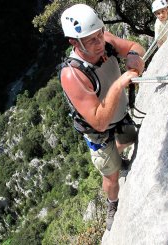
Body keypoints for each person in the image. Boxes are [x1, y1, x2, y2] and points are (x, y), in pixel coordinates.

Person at [59, 4, 145, 231]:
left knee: (129, 136)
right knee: (112, 175)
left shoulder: (103, 40)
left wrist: (134, 56)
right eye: (91, 40)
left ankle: (116, 154)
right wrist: (119, 83)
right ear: (74, 43)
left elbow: (135, 46)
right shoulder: (72, 74)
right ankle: (112, 204)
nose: (99, 43)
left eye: (99, 35)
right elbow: (99, 121)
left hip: (118, 115)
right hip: (98, 131)